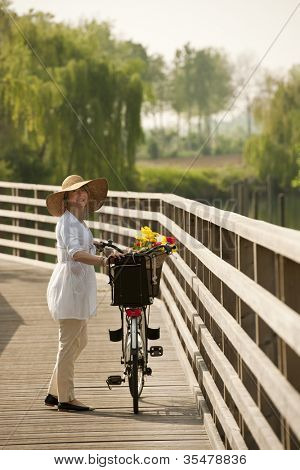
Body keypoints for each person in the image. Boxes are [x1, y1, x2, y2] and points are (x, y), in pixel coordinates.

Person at [44, 174, 124, 412]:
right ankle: (66, 399)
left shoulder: (77, 222)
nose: (81, 194)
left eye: (84, 191)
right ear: (66, 199)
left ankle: (53, 392)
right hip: (69, 286)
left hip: (77, 286)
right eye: (75, 192)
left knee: (79, 341)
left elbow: (82, 245)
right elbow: (75, 253)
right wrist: (103, 260)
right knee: (68, 343)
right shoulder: (68, 223)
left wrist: (99, 246)